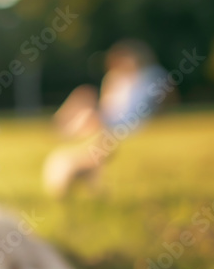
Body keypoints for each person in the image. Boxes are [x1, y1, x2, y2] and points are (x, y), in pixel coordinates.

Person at [43, 40, 169, 197]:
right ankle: (60, 128)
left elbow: (165, 99)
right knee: (85, 93)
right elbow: (107, 103)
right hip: (109, 117)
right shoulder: (114, 77)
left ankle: (65, 134)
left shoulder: (150, 75)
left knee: (90, 114)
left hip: (126, 121)